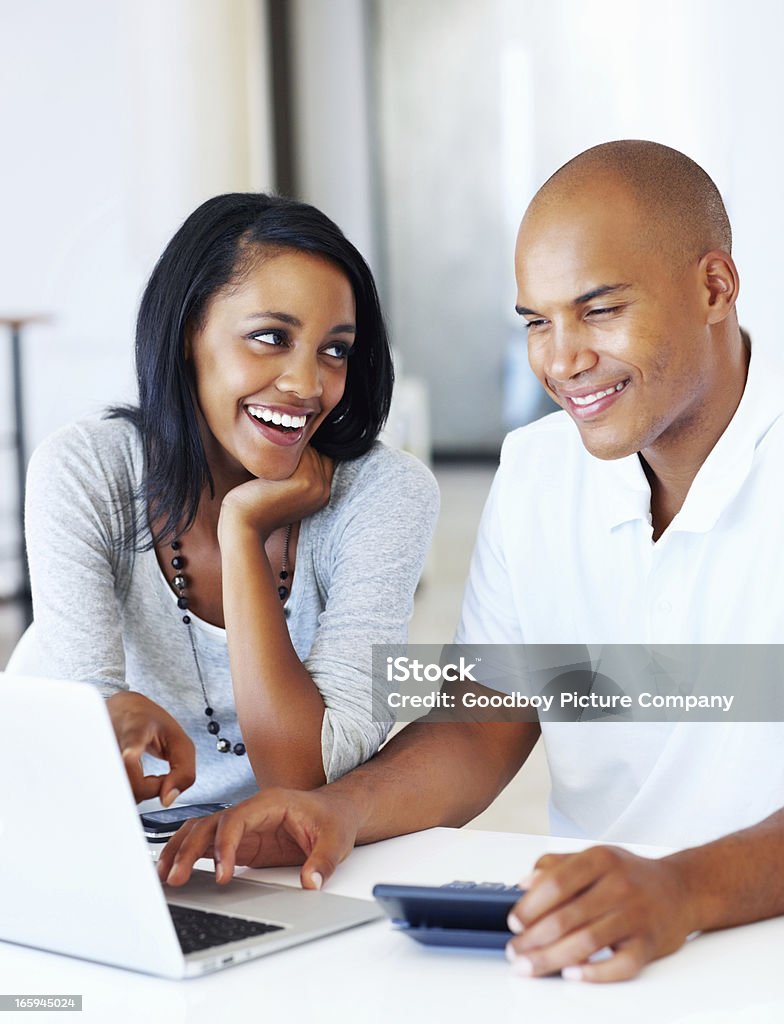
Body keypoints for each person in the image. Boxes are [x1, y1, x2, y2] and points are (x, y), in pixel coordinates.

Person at [157, 142, 784, 982]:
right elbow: (485, 722)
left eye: (598, 311)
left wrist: (683, 889)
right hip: (594, 945)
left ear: (715, 287)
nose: (560, 361)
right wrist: (334, 809)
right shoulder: (537, 470)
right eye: (536, 321)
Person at [9, 192, 439, 807]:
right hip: (72, 822)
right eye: (270, 337)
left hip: (265, 856)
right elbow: (86, 733)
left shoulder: (384, 494)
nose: (307, 384)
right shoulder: (86, 470)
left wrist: (242, 528)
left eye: (335, 349)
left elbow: (306, 777)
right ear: (190, 334)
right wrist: (107, 721)